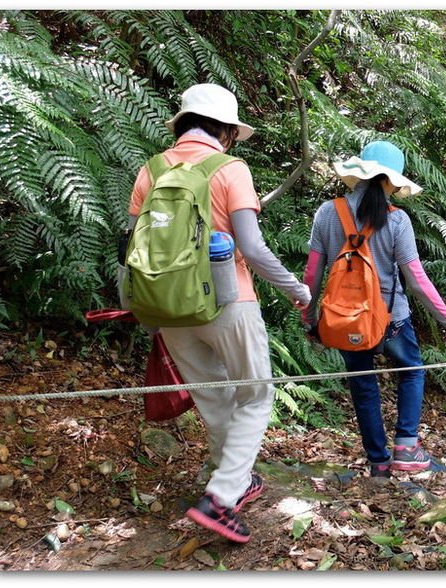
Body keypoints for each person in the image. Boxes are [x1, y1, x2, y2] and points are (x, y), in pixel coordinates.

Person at [127, 83, 312, 543]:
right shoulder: (230, 169)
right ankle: (221, 498)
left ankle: (236, 479)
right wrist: (297, 289)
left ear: (182, 125)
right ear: (227, 132)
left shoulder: (150, 170)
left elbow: (130, 245)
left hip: (167, 307)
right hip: (229, 301)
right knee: (256, 395)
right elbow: (251, 246)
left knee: (214, 397)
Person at [302, 141, 446, 478]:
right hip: (392, 318)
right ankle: (406, 446)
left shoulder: (328, 212)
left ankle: (378, 461)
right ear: (392, 182)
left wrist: (310, 320)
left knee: (363, 384)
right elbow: (417, 281)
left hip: (345, 318)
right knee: (411, 370)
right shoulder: (398, 221)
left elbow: (312, 274)